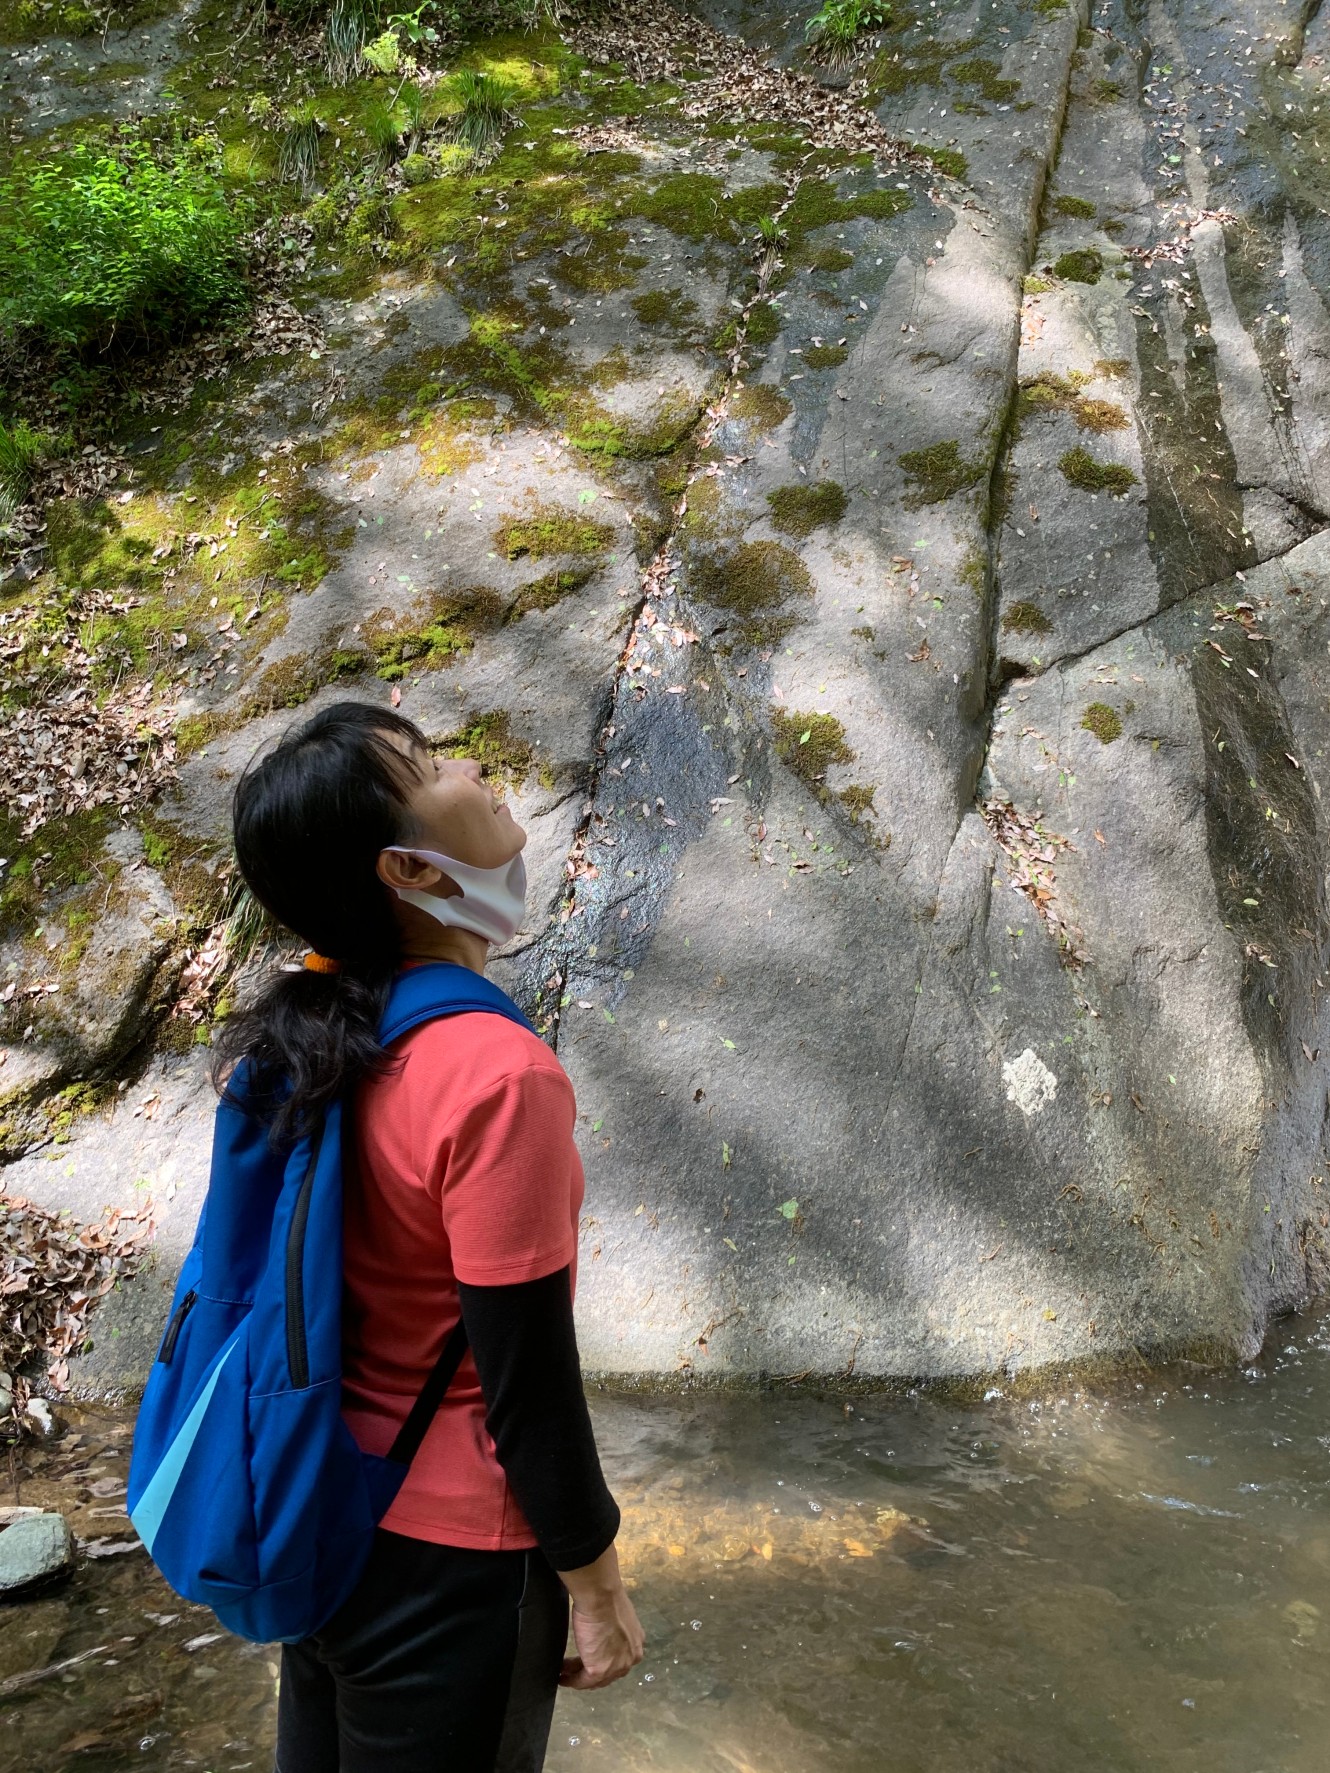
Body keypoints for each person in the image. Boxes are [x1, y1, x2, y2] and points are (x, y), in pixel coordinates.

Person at [215, 700, 644, 1773]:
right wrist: (595, 1583)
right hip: (450, 1563)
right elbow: (527, 1383)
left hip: (309, 1507)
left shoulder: (311, 1041)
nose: (474, 768)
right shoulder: (496, 1077)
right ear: (408, 871)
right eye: (431, 764)